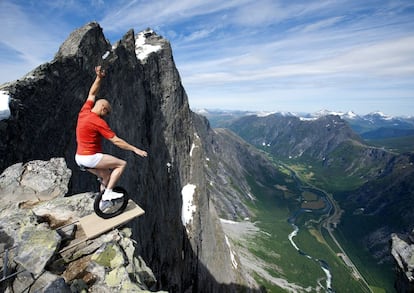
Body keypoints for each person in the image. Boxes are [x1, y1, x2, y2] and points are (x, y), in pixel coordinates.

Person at [75, 65, 147, 201]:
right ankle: (108, 193)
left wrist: (98, 78)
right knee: (121, 164)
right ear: (102, 108)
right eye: (106, 112)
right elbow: (116, 140)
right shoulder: (98, 122)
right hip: (90, 157)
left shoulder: (84, 111)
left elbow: (92, 93)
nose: (106, 115)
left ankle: (103, 203)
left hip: (79, 157)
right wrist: (134, 149)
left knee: (106, 175)